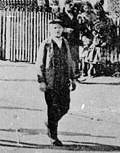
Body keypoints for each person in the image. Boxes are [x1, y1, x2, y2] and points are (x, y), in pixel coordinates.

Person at [37, 16, 77, 146]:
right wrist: (41, 81)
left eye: (59, 28)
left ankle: (50, 123)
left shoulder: (65, 42)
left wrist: (73, 78)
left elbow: (69, 61)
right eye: (55, 28)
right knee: (53, 108)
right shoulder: (46, 44)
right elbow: (39, 64)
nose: (57, 30)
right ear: (50, 30)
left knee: (65, 106)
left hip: (63, 80)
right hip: (50, 82)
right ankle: (53, 136)